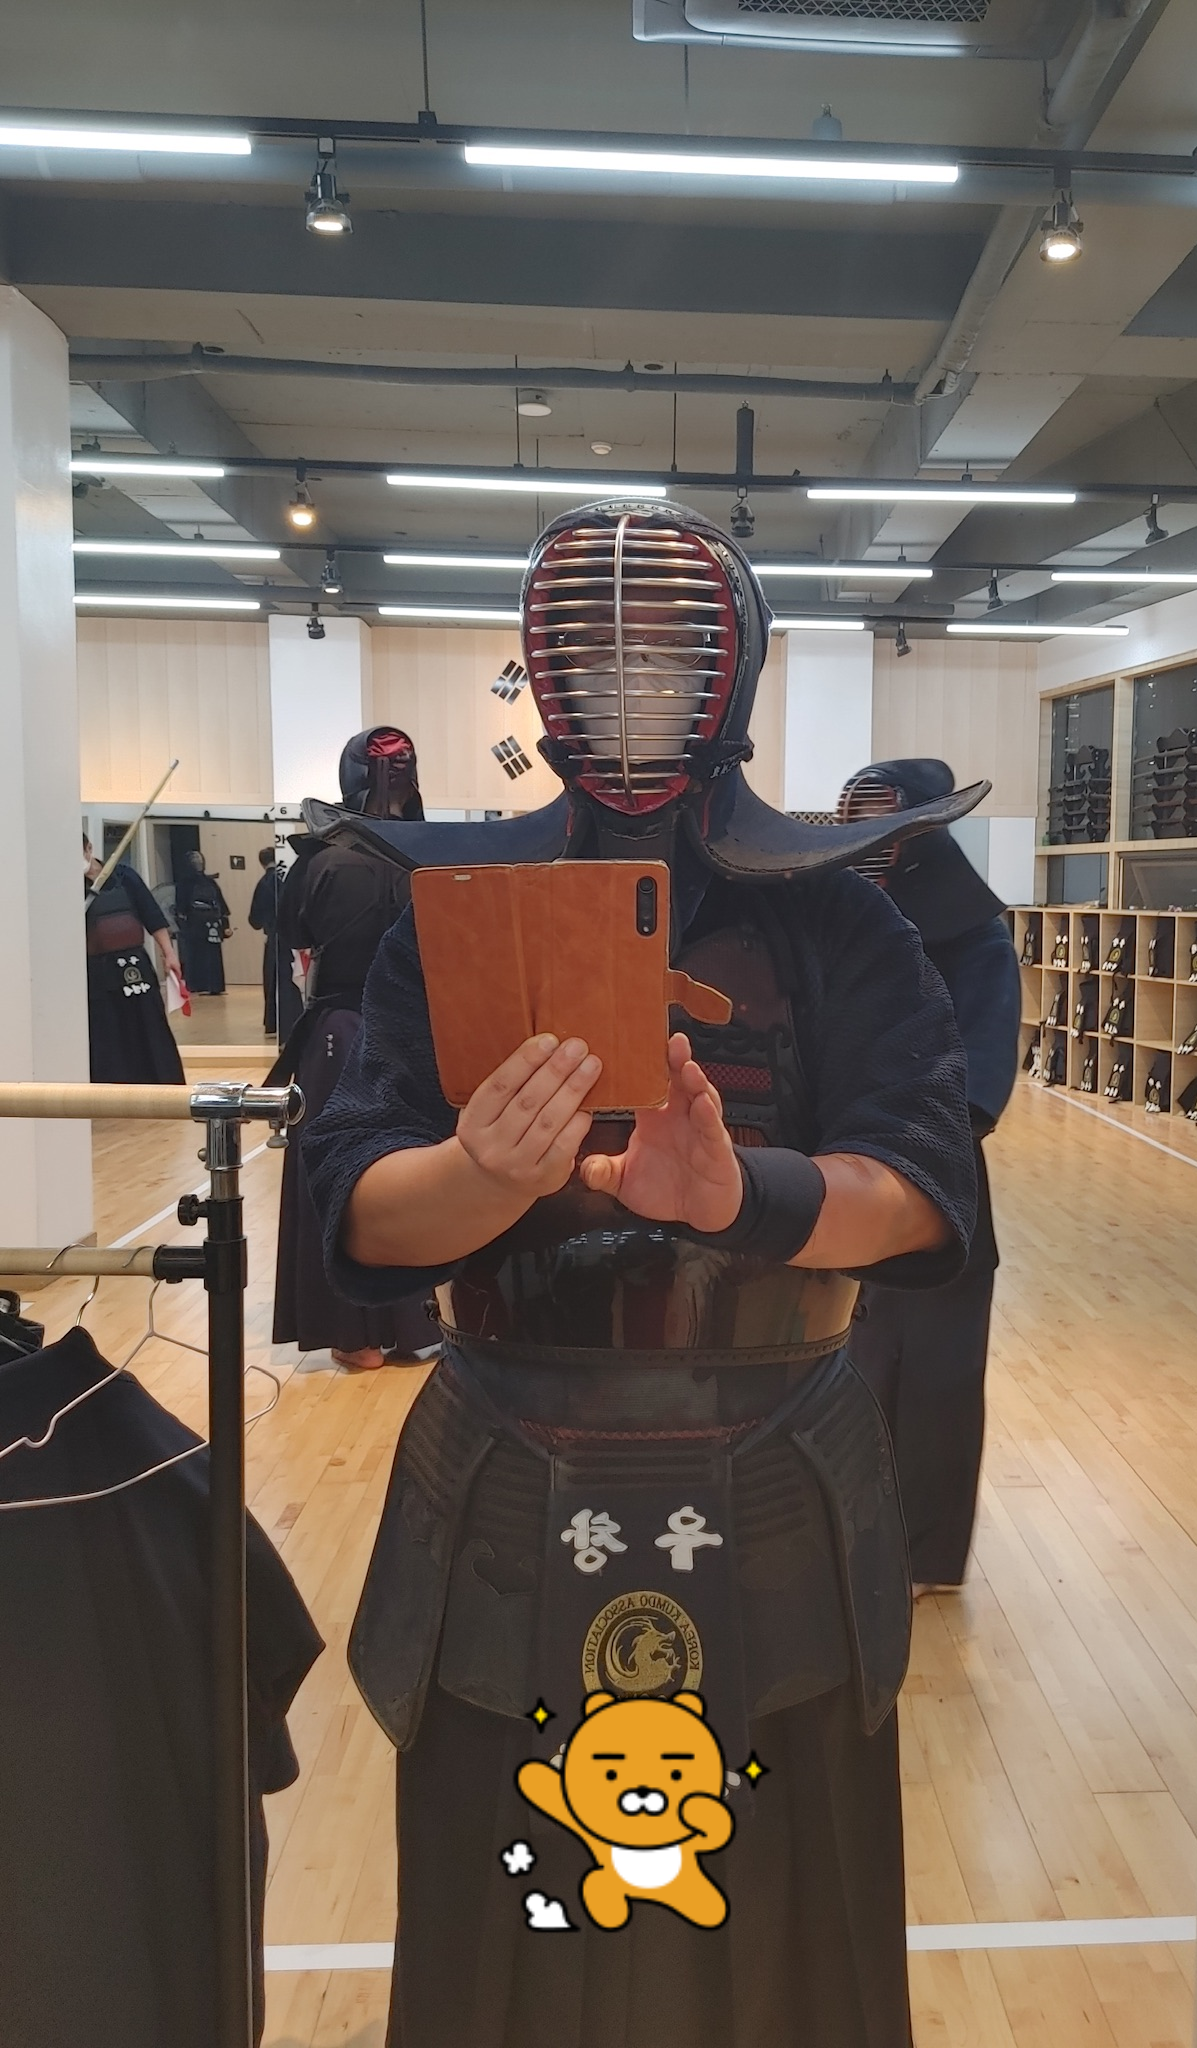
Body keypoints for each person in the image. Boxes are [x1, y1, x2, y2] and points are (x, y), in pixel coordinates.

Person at [299, 499, 985, 2048]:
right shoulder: (445, 921)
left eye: (663, 649)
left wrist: (747, 1196)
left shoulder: (838, 918)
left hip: (778, 1450)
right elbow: (358, 1208)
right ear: (544, 672)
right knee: (507, 1868)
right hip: (506, 1441)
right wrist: (481, 1176)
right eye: (593, 648)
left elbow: (923, 1194)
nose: (626, 681)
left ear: (727, 670)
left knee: (787, 1883)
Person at [834, 762, 1022, 1594]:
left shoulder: (974, 937)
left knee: (938, 1371)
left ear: (923, 826)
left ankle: (925, 1554)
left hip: (935, 1170)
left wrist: (905, 1144)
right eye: (855, 814)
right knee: (855, 1357)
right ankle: (846, 1533)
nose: (867, 831)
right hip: (838, 1164)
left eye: (882, 815)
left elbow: (979, 1078)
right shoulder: (844, 920)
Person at [268, 728, 439, 1372]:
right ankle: (414, 1327)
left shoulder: (320, 862)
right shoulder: (432, 858)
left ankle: (356, 1334)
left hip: (341, 1032)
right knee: (415, 1163)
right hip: (415, 1033)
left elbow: (294, 940)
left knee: (339, 1167)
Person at [82, 834, 186, 1086]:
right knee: (108, 1032)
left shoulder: (124, 876)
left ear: (89, 848)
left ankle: (163, 1086)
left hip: (135, 965)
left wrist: (169, 953)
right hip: (96, 971)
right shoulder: (66, 886)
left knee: (149, 1025)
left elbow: (152, 915)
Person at [174, 849, 231, 995]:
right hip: (202, 925)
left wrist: (225, 926)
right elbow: (181, 909)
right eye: (195, 861)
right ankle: (206, 985)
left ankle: (207, 985)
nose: (198, 863)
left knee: (205, 955)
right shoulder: (192, 883)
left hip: (204, 924)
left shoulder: (203, 883)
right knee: (203, 955)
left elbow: (220, 905)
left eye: (199, 860)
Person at [247, 843, 282, 1037]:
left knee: (271, 979)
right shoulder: (285, 878)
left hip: (272, 936)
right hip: (292, 937)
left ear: (262, 863)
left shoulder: (263, 884)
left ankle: (272, 1022)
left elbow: (255, 920)